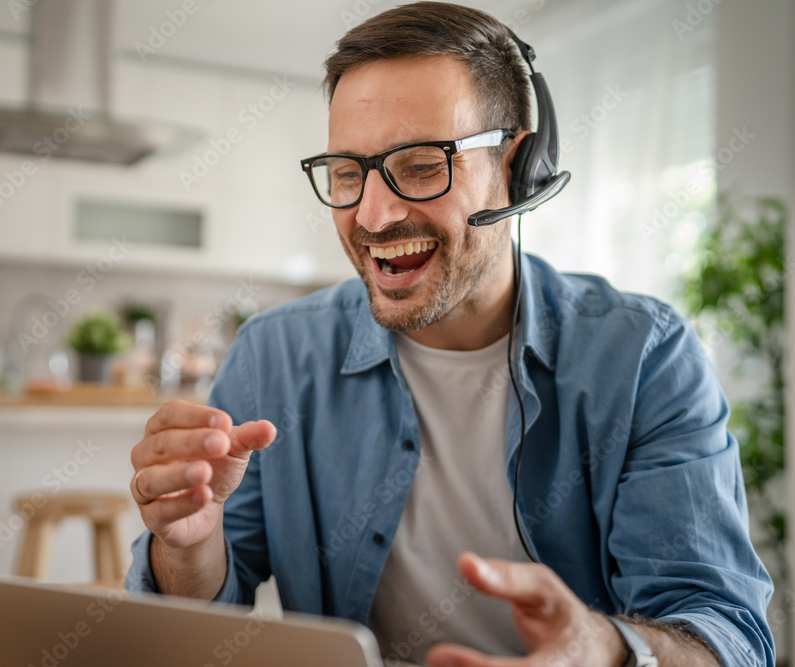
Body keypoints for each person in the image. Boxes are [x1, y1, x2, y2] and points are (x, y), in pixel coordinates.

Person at [125, 3, 774, 666]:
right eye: (348, 173)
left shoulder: (643, 358)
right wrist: (186, 545)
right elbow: (199, 620)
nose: (373, 215)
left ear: (516, 167)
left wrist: (605, 649)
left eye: (421, 164)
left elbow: (724, 631)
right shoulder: (276, 354)